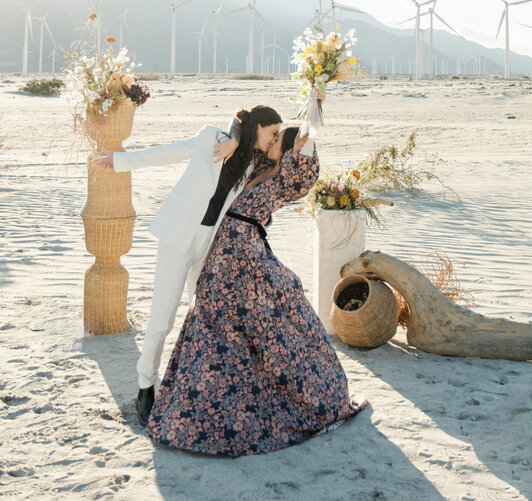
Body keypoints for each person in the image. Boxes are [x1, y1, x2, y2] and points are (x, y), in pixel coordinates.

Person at [146, 125, 367, 456]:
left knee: (265, 323)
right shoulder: (260, 165)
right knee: (210, 320)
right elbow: (243, 130)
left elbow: (306, 161)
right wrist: (237, 137)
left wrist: (314, 106)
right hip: (221, 253)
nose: (272, 141)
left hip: (247, 253)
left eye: (279, 140)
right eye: (273, 136)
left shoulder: (288, 178)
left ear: (294, 149)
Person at [90, 105, 284, 425]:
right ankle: (145, 387)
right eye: (272, 132)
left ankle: (196, 385)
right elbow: (167, 153)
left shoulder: (253, 162)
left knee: (205, 317)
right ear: (258, 126)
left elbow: (279, 167)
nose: (274, 138)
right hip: (178, 237)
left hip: (210, 245)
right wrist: (120, 161)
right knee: (162, 318)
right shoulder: (211, 137)